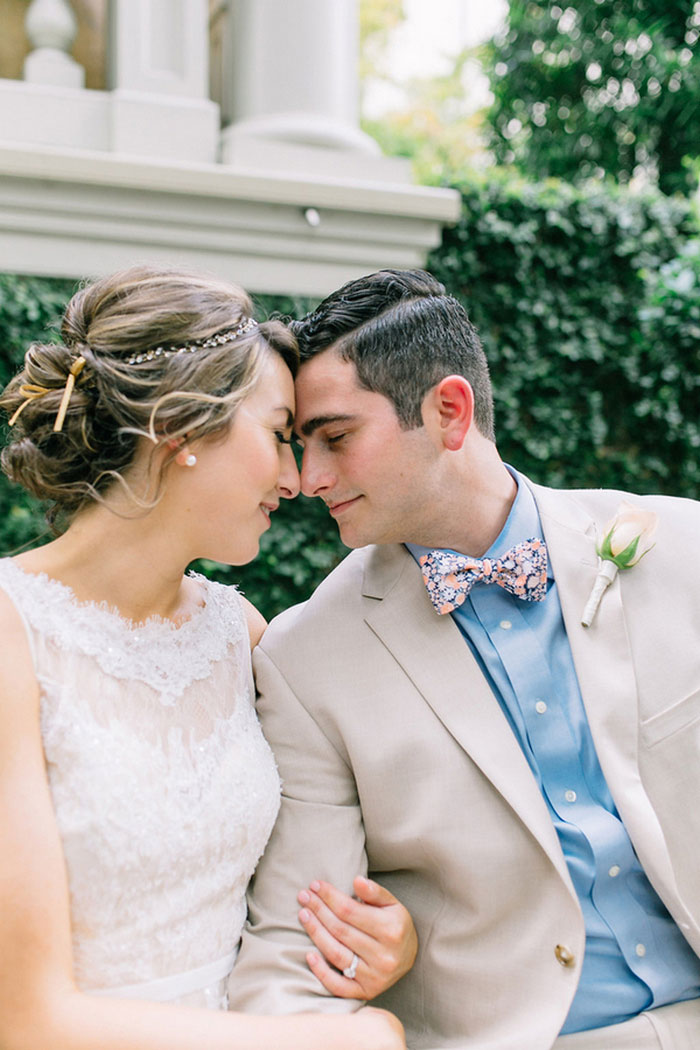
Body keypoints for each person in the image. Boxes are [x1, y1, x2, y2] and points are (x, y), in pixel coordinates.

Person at [227, 269, 700, 1050]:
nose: (307, 479)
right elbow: (292, 944)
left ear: (449, 410)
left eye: (335, 438)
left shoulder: (682, 548)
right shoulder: (304, 661)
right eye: (299, 444)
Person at [0, 265, 410, 1050]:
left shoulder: (240, 634)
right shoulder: (11, 634)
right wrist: (348, 1042)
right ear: (182, 428)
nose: (296, 480)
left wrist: (386, 941)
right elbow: (26, 1021)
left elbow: (301, 883)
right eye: (279, 434)